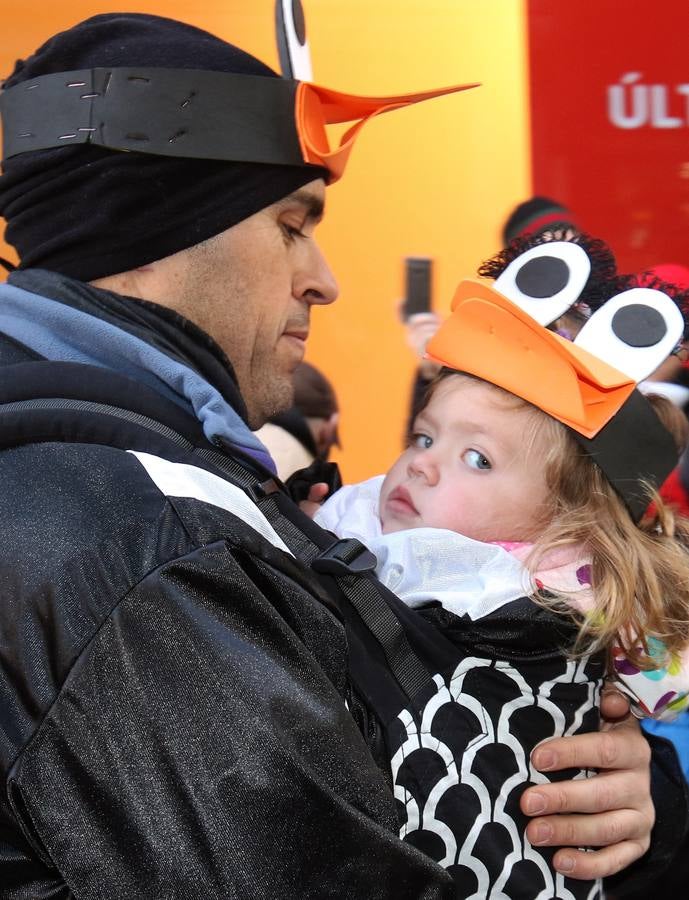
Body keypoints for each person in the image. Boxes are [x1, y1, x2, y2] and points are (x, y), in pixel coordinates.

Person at [0, 13, 673, 898]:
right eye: (291, 223)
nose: (323, 277)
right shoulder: (140, 529)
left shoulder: (137, 468)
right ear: (155, 233)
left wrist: (631, 794)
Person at [314, 239, 689, 895]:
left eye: (476, 459)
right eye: (424, 437)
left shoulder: (567, 603)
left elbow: (664, 711)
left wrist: (661, 792)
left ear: (563, 521)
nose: (422, 462)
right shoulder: (350, 527)